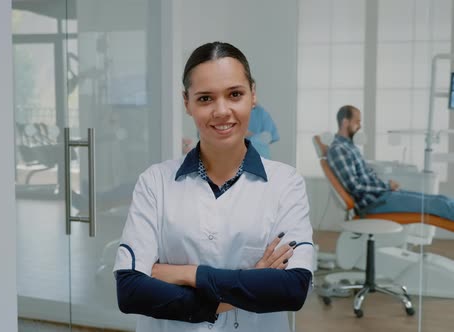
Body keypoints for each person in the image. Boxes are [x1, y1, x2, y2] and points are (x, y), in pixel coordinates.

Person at [113, 42, 314, 331]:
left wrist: (186, 274)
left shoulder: (286, 183)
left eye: (235, 94)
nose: (222, 111)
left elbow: (292, 289)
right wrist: (252, 280)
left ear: (253, 95)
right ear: (187, 103)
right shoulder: (155, 182)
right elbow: (131, 292)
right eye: (205, 98)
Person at [327, 105, 454, 220]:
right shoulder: (338, 150)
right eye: (357, 122)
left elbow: (365, 178)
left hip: (382, 196)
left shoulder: (350, 146)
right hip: (375, 203)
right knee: (438, 204)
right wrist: (387, 186)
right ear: (345, 122)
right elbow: (355, 187)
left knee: (441, 199)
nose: (360, 126)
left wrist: (387, 186)